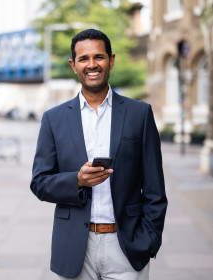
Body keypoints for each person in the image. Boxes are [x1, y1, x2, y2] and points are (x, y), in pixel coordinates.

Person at [30, 29, 167, 279]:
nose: (91, 65)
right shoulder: (54, 119)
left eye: (98, 57)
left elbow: (155, 188)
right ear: (74, 65)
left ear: (111, 60)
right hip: (74, 248)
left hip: (126, 246)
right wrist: (77, 181)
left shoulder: (139, 114)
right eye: (83, 59)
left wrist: (149, 239)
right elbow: (39, 183)